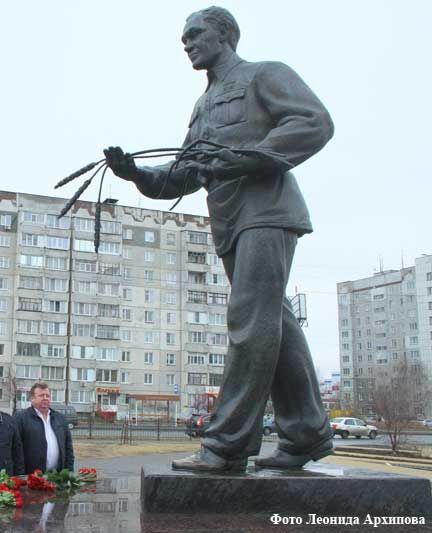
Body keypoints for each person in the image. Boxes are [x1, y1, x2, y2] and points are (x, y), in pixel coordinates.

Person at [104, 6, 334, 471]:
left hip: (268, 211)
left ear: (225, 34)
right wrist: (136, 174)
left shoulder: (264, 75)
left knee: (249, 322)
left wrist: (250, 158)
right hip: (229, 222)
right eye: (183, 38)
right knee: (277, 326)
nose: (186, 43)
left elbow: (313, 122)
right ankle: (306, 435)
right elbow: (187, 172)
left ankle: (227, 445)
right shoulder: (203, 105)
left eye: (194, 34)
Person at [15, 382, 74, 474]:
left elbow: (68, 448)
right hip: (32, 477)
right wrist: (21, 476)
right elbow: (17, 450)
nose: (45, 398)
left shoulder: (60, 419)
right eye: (41, 395)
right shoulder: (21, 419)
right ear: (32, 398)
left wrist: (69, 472)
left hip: (58, 477)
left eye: (48, 396)